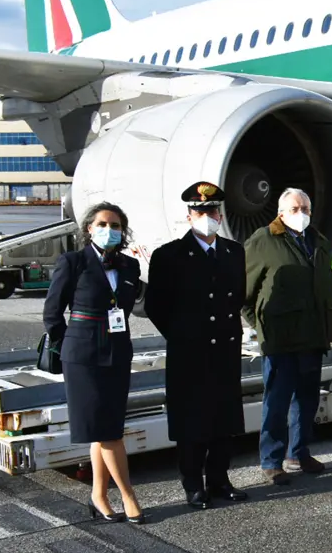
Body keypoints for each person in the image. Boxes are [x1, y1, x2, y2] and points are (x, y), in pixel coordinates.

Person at [144, 181, 249, 510]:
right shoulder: (169, 255)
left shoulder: (234, 252)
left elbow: (237, 298)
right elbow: (155, 306)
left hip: (225, 351)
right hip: (190, 353)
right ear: (189, 215)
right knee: (192, 423)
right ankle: (193, 484)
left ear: (220, 214)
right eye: (200, 211)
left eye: (212, 211)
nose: (207, 216)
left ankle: (219, 479)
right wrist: (181, 335)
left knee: (224, 420)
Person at [42, 202, 145, 523]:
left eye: (116, 225)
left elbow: (134, 306)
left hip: (117, 354)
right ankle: (128, 495)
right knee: (108, 433)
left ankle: (98, 495)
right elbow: (52, 314)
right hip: (83, 358)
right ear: (89, 228)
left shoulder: (129, 266)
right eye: (103, 224)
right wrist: (71, 343)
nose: (109, 230)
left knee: (107, 428)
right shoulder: (72, 262)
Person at [243, 188, 332, 485]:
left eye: (306, 208)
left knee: (307, 399)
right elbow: (246, 290)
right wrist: (258, 323)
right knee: (277, 401)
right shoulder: (263, 240)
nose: (302, 214)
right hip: (280, 337)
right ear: (281, 213)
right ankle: (272, 460)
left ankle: (299, 452)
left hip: (312, 334)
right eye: (296, 209)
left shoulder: (318, 242)